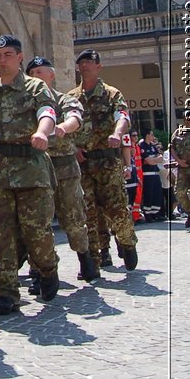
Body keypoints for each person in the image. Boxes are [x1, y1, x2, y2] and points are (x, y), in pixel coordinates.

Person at [0, 35, 59, 315]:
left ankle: (47, 268)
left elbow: (47, 111)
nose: (3, 60)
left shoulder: (35, 87)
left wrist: (41, 131)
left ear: (20, 57)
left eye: (8, 54)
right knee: (0, 236)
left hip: (30, 171)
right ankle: (8, 292)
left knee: (36, 232)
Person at [24, 57, 98, 285]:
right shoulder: (25, 103)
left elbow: (74, 118)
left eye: (40, 71)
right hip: (36, 167)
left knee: (73, 217)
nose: (36, 76)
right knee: (37, 221)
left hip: (64, 166)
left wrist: (62, 128)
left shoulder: (64, 100)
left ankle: (85, 257)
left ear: (51, 75)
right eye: (32, 72)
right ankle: (41, 269)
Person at [68, 49, 138, 272]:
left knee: (116, 208)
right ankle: (94, 259)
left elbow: (122, 116)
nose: (85, 66)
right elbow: (64, 128)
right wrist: (73, 147)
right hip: (84, 164)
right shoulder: (72, 98)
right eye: (82, 63)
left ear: (99, 67)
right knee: (88, 211)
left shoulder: (111, 94)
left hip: (108, 163)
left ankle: (127, 243)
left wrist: (117, 134)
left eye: (90, 62)